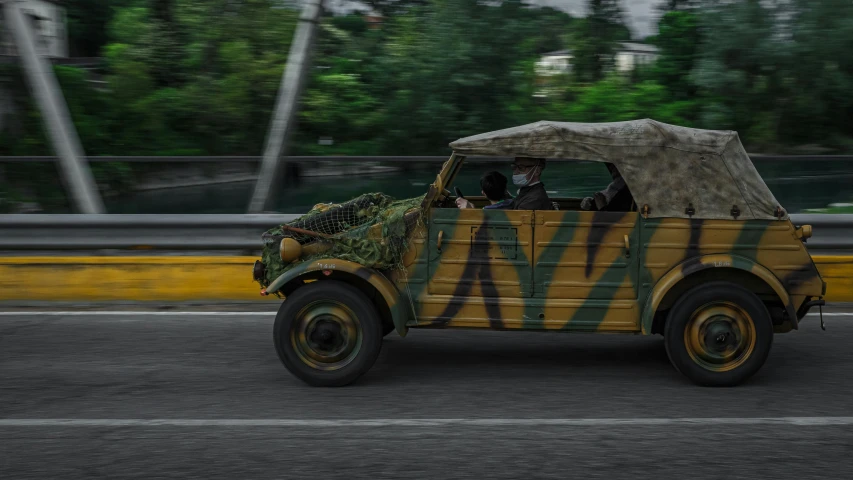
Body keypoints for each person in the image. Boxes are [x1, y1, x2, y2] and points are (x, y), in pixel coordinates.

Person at [456, 157, 552, 210]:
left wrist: (470, 213)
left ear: (537, 171)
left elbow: (513, 228)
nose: (516, 171)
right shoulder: (527, 192)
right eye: (514, 167)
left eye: (521, 168)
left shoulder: (534, 199)